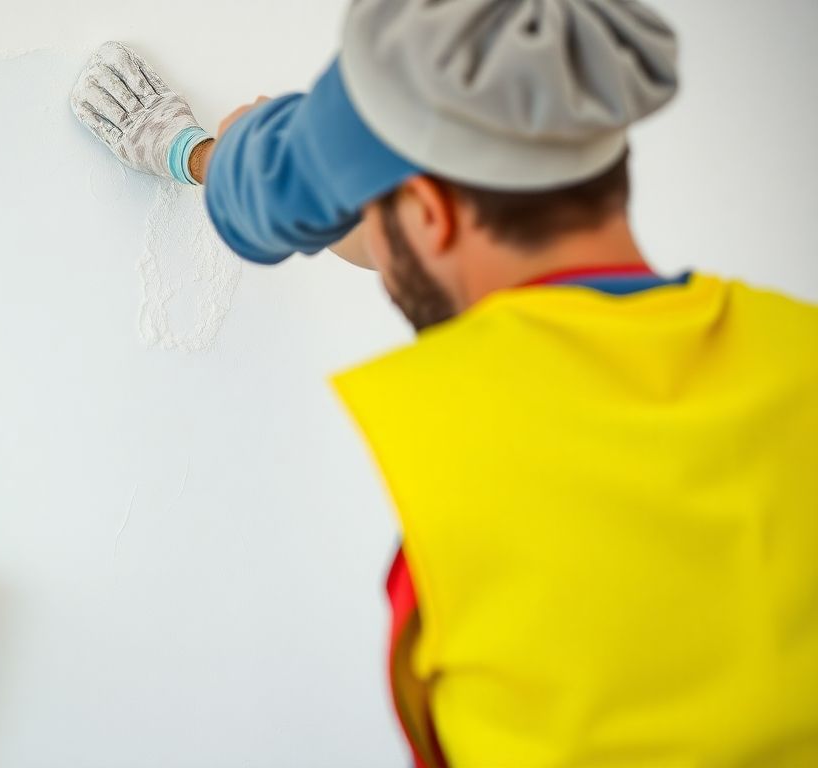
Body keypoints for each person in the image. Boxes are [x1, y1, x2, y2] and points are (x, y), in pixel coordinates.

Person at [71, 2, 818, 766]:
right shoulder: (798, 351)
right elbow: (358, 201)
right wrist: (205, 157)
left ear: (429, 214)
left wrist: (197, 150)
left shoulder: (469, 462)